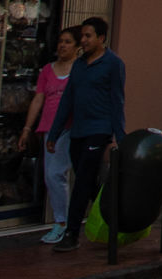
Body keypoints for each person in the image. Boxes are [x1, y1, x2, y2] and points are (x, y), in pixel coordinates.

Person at [47, 16, 125, 253]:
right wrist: (54, 133)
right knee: (87, 181)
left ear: (101, 38)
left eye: (88, 36)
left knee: (81, 182)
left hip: (99, 130)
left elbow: (117, 101)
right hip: (77, 132)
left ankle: (71, 233)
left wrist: (120, 138)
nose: (83, 40)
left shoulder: (113, 64)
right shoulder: (79, 65)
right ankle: (115, 213)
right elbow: (67, 100)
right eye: (82, 36)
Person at [21, 28, 78, 243]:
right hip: (48, 129)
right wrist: (27, 128)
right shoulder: (47, 70)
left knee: (56, 173)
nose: (62, 45)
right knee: (50, 176)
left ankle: (61, 223)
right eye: (60, 41)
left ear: (76, 46)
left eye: (67, 42)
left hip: (69, 128)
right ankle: (61, 221)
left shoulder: (80, 69)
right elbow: (38, 99)